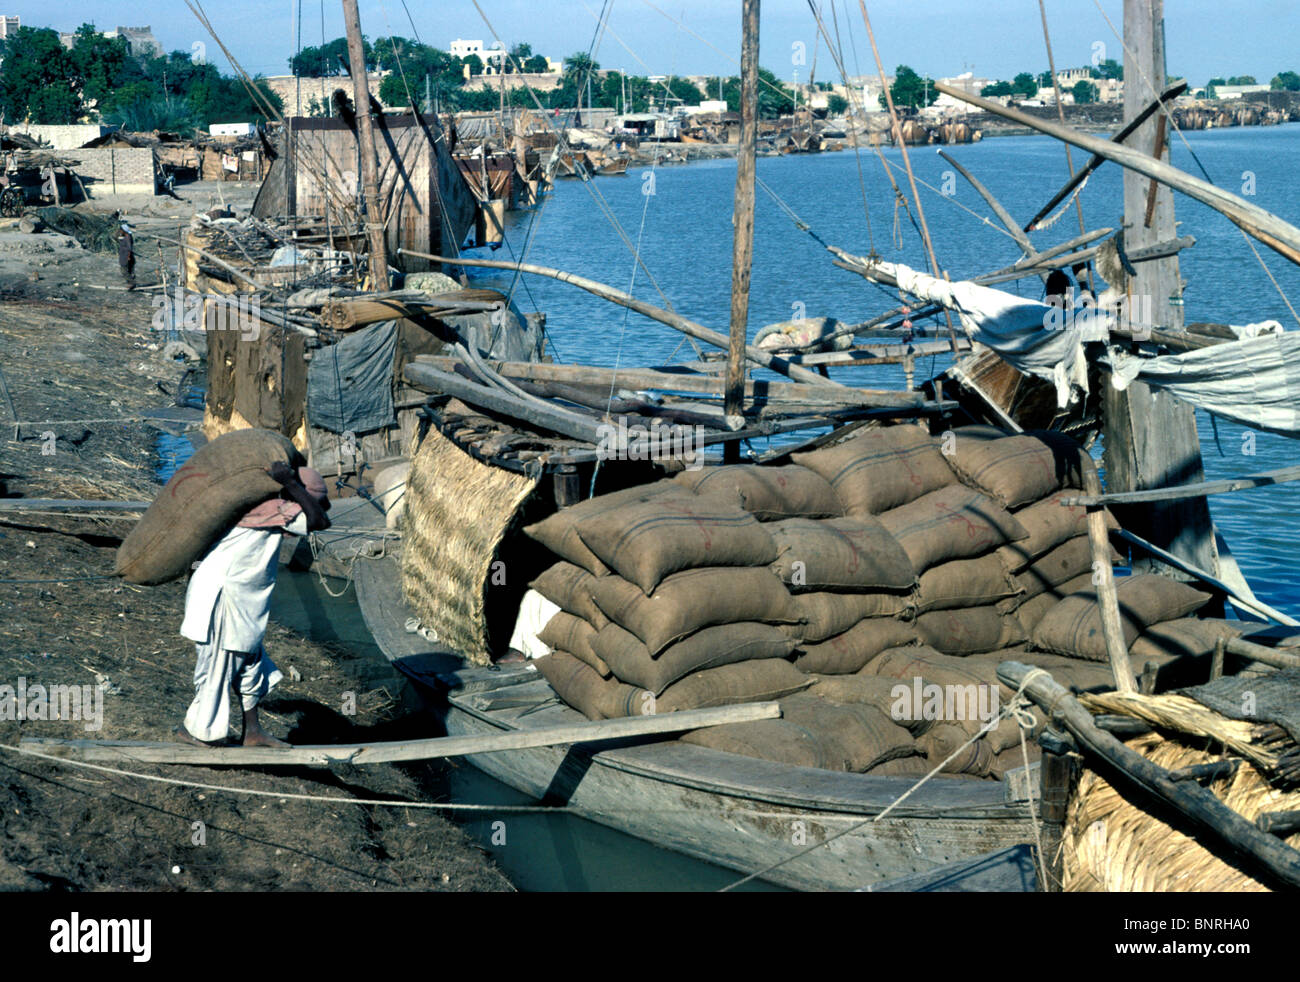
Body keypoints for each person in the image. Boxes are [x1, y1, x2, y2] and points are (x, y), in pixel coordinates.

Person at [176, 464, 331, 748]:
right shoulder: (273, 509)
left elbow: (317, 515)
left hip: (240, 602)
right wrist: (291, 483)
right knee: (219, 667)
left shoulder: (264, 510)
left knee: (251, 663)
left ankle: (253, 731)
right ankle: (196, 731)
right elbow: (319, 521)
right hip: (224, 599)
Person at [117, 221, 136, 290]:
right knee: (129, 271)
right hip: (125, 256)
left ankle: (132, 283)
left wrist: (128, 257)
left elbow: (129, 248)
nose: (120, 231)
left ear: (124, 230)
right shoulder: (127, 236)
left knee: (124, 271)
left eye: (121, 230)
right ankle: (130, 283)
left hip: (126, 257)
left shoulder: (127, 237)